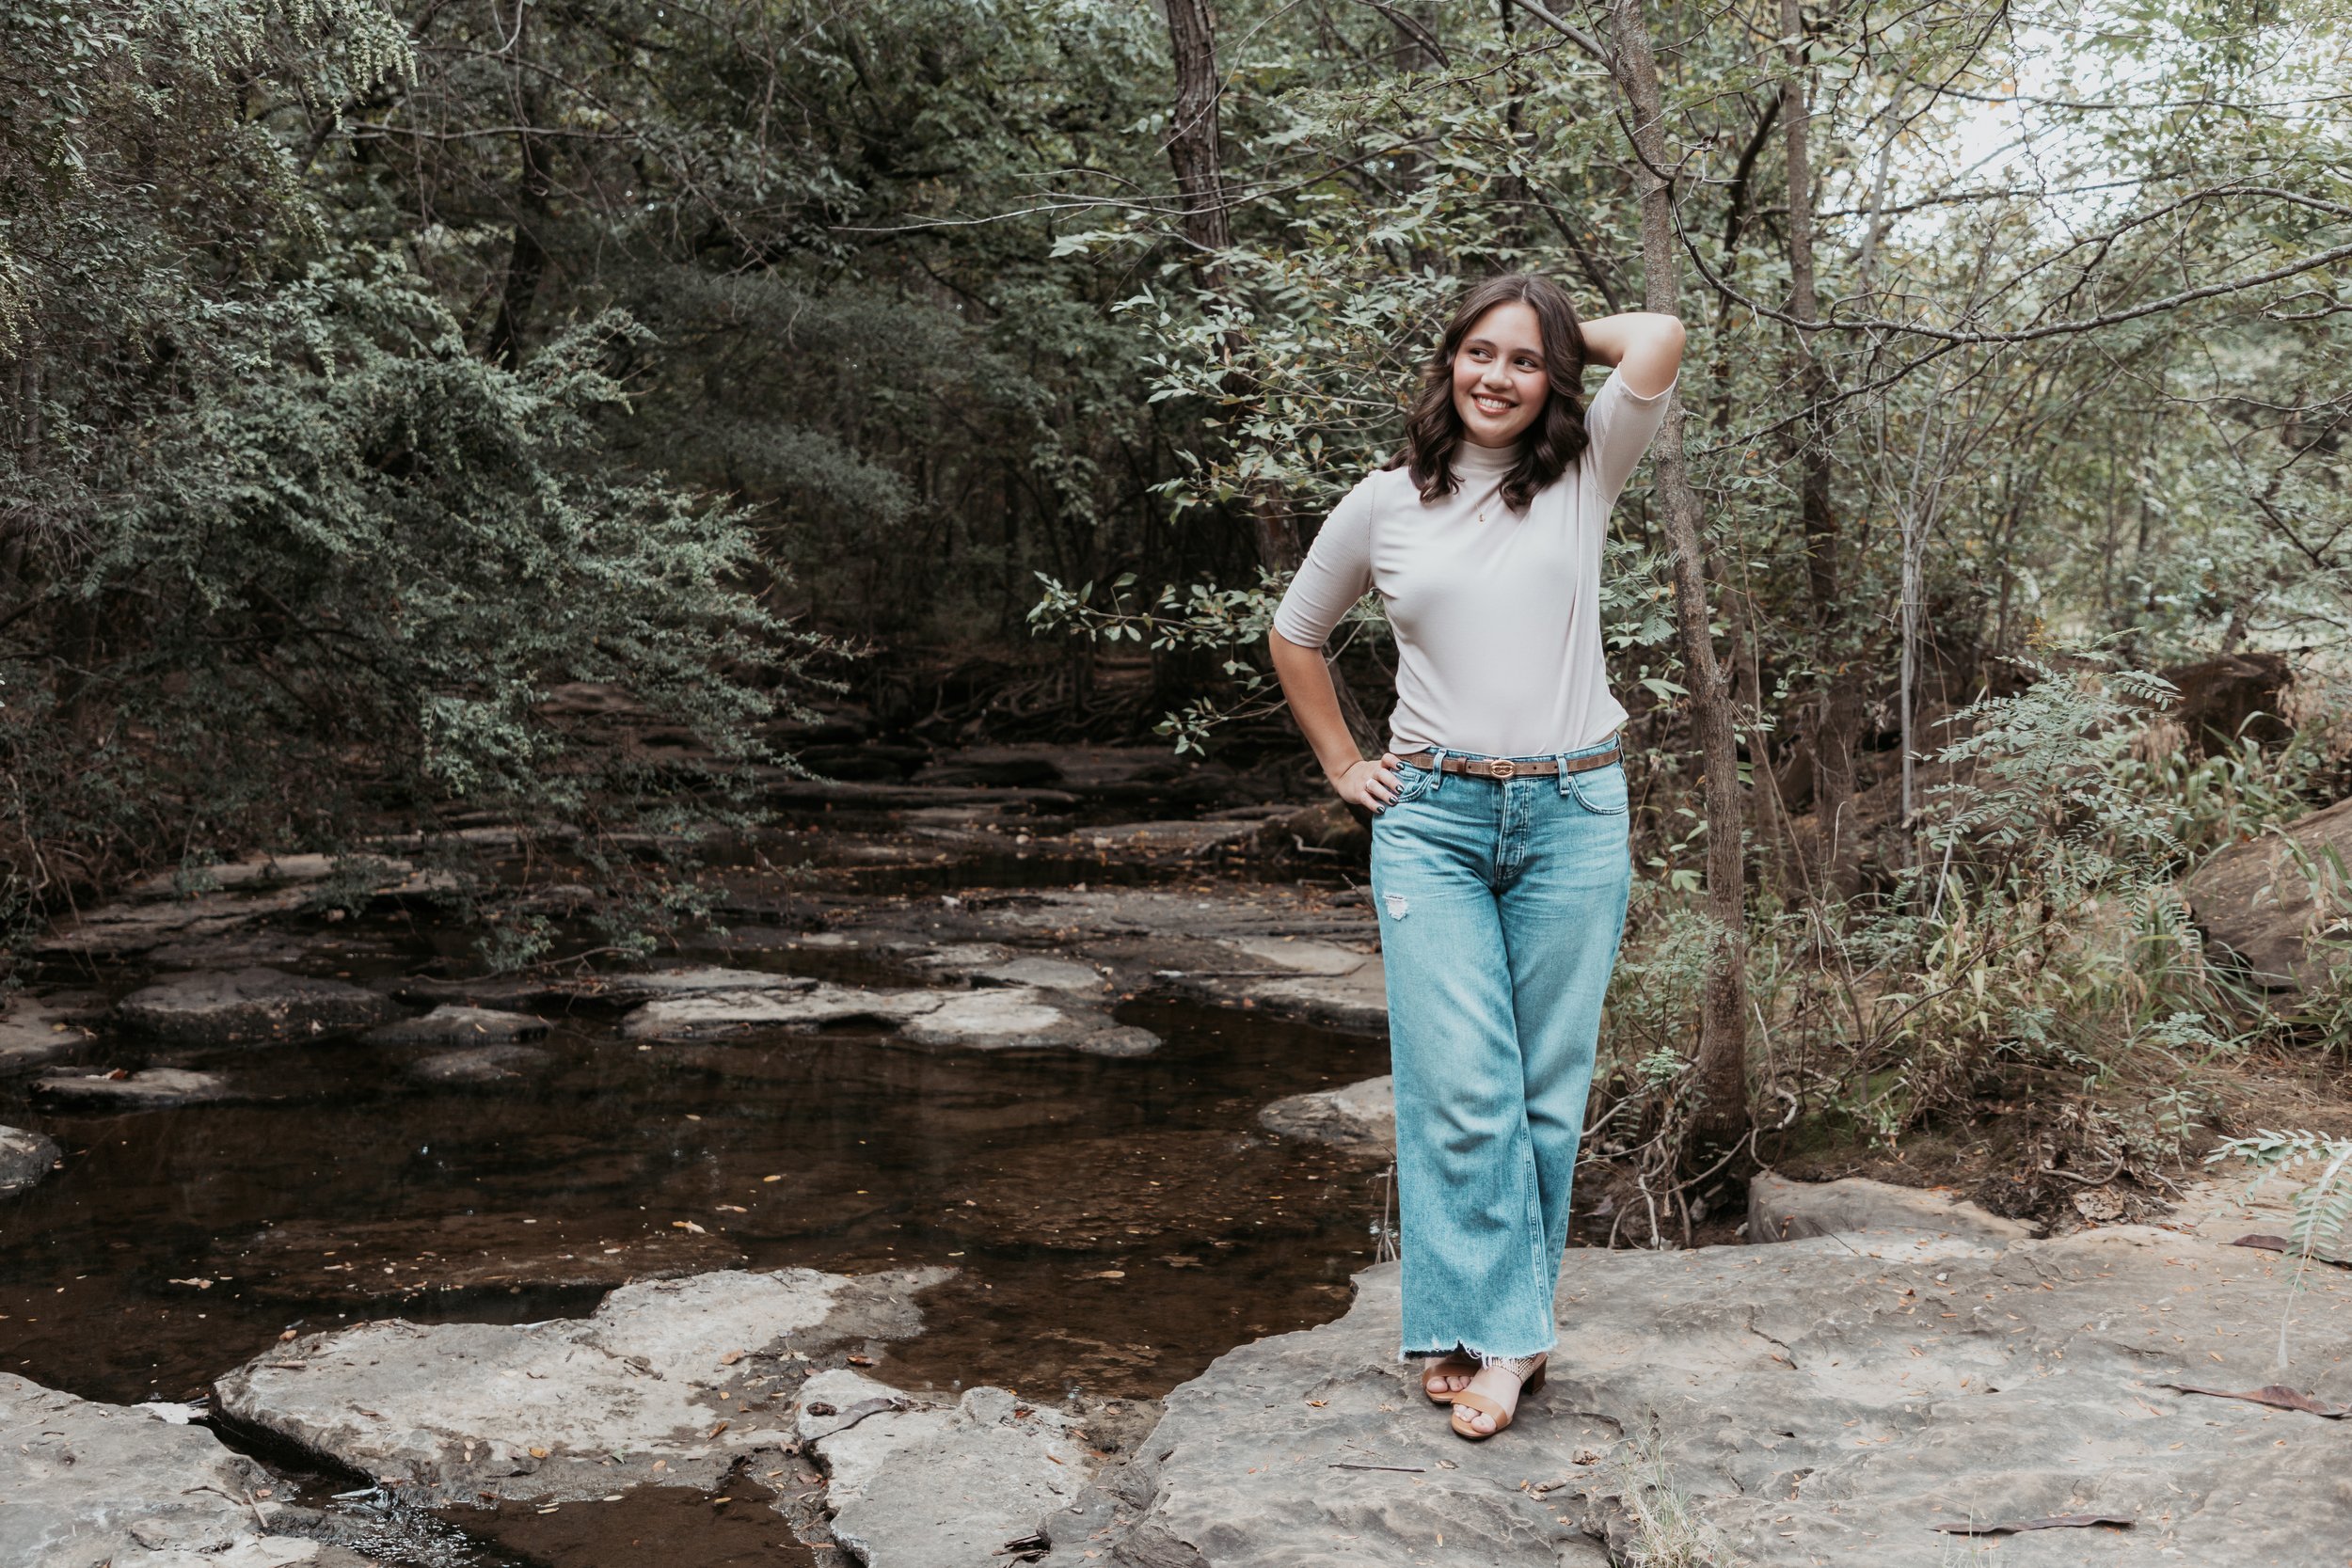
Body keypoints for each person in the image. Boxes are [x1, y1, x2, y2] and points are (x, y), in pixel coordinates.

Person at [1267, 273, 1684, 1441]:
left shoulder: (1583, 473)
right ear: (1446, 363)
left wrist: (1560, 326)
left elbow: (1659, 334)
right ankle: (1502, 1333)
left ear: (1553, 376)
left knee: (1543, 1088)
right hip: (1434, 820)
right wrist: (1343, 762)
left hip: (1572, 811)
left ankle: (1492, 1336)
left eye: (1523, 359)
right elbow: (1295, 633)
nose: (1496, 376)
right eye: (1478, 353)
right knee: (1462, 1086)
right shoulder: (1384, 502)